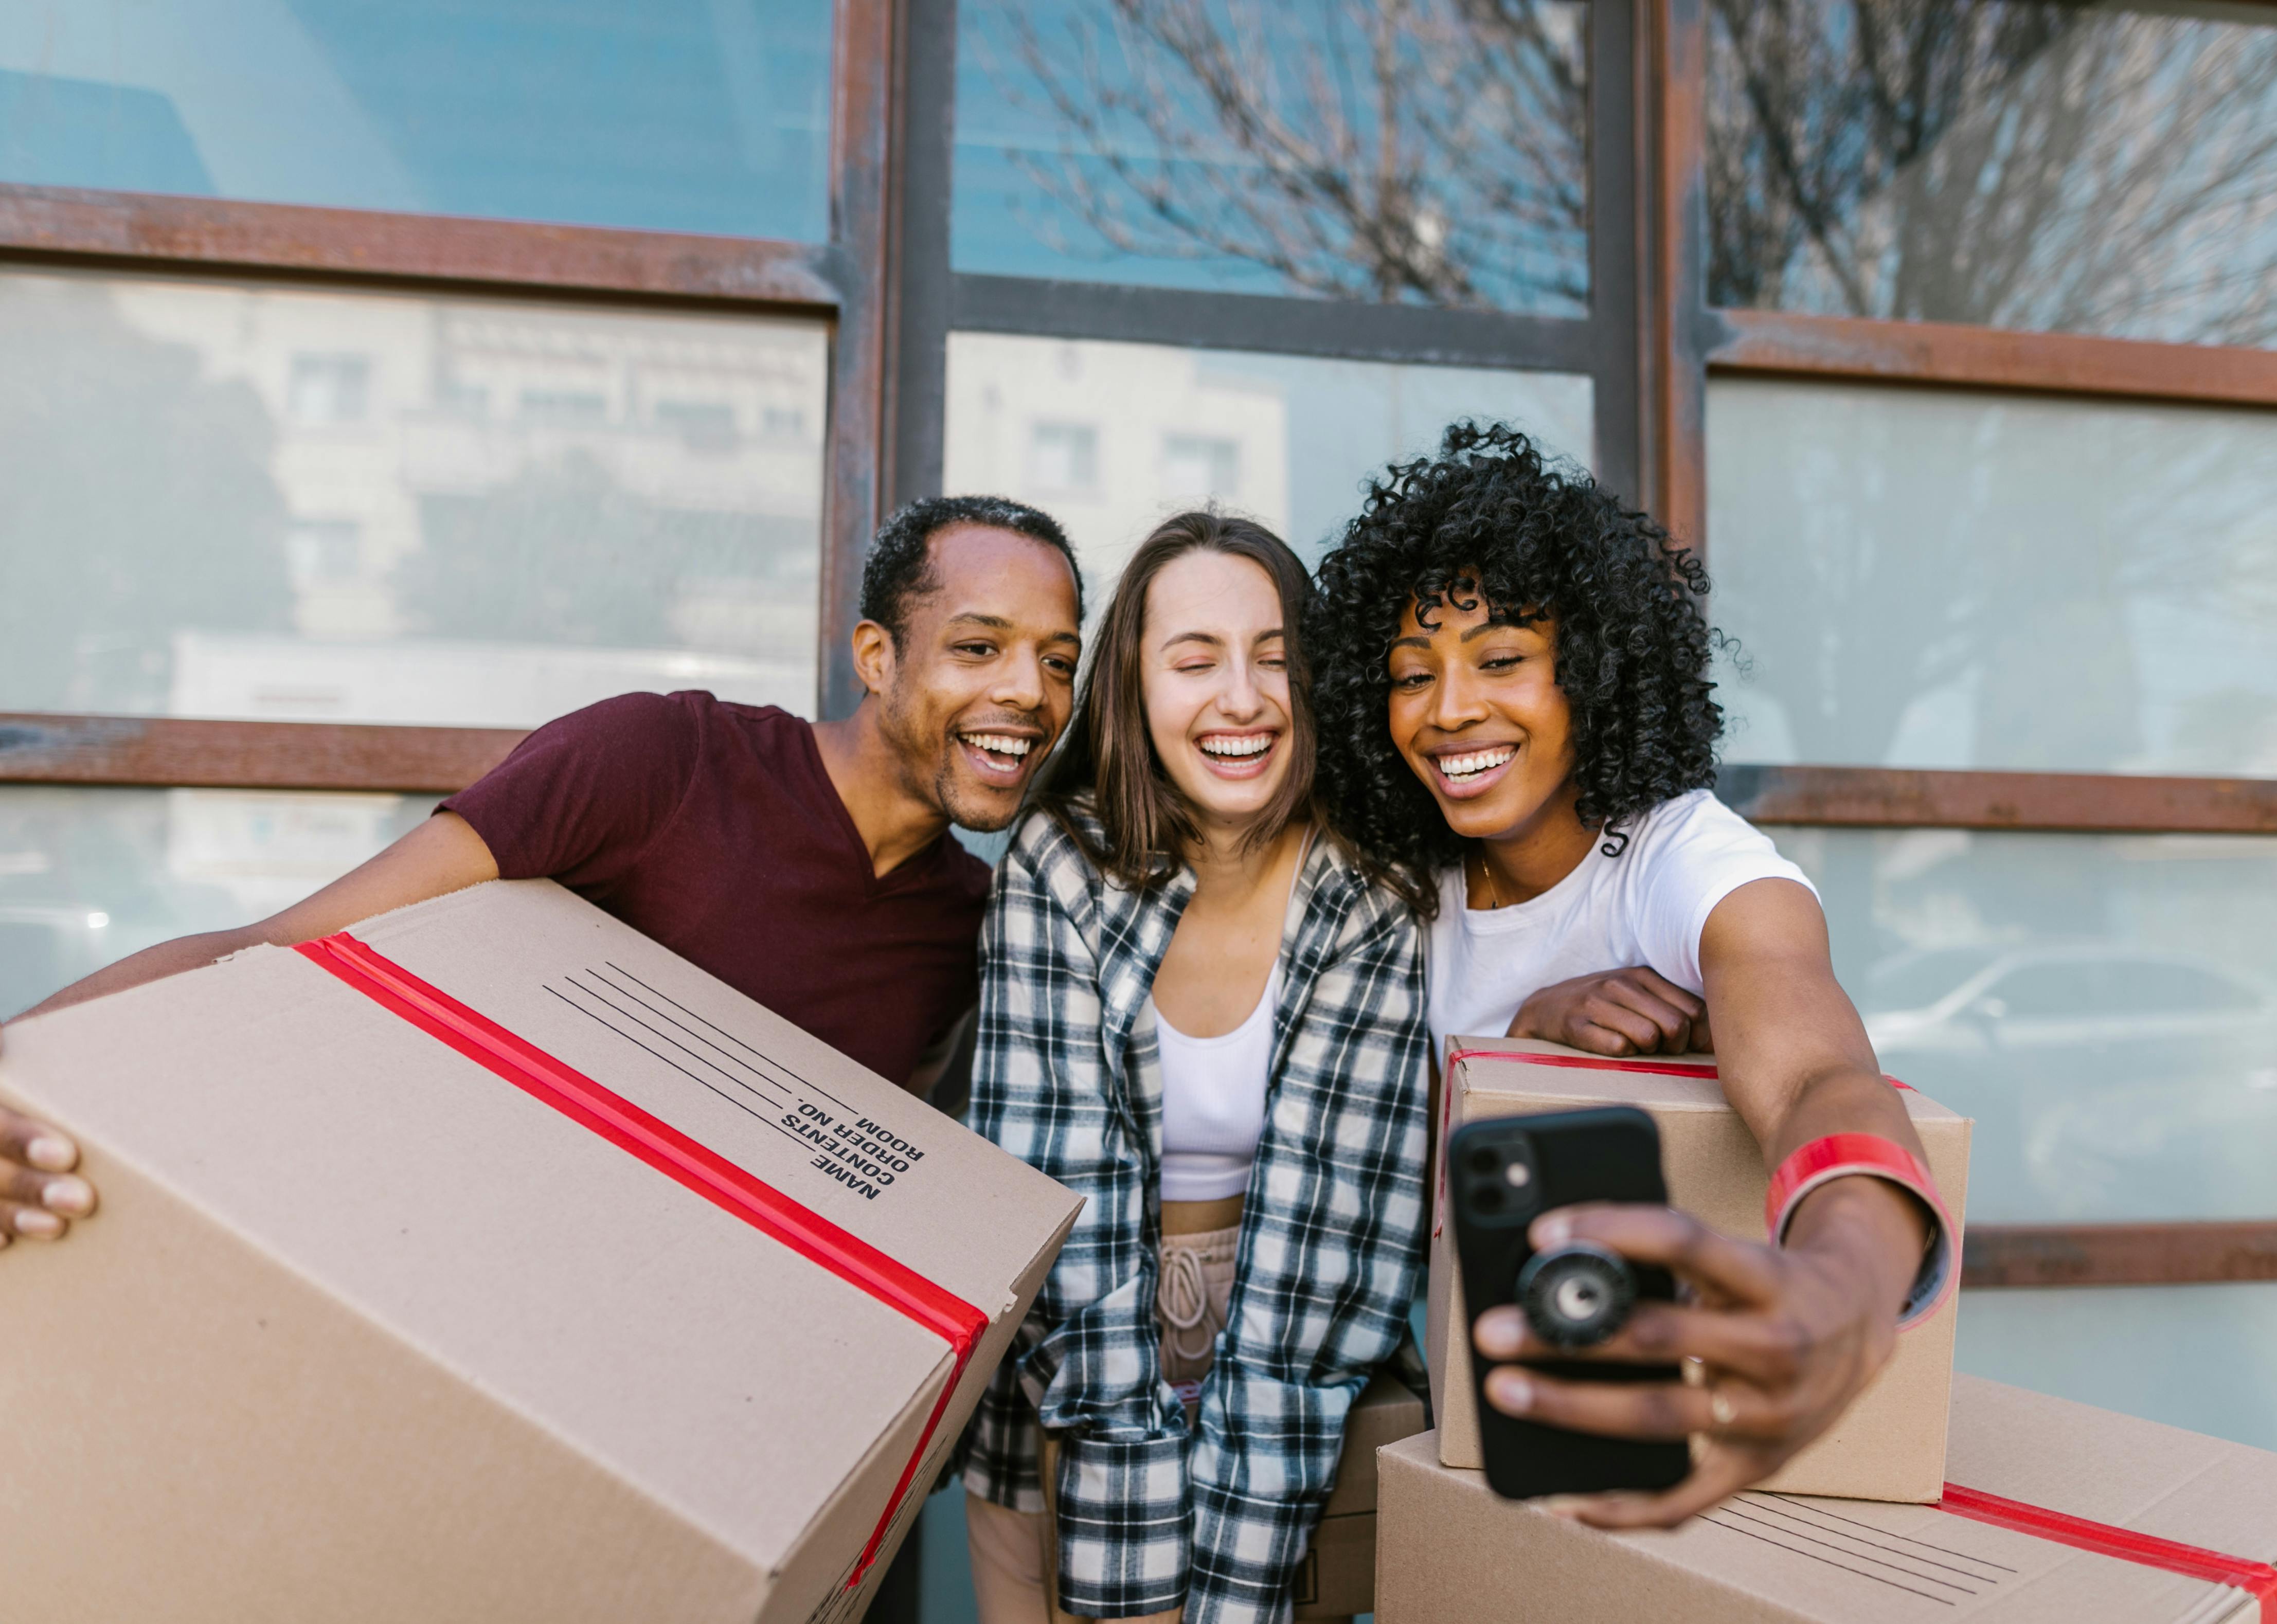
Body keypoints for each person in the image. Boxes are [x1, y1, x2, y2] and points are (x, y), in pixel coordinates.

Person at [0, 495, 1086, 1619]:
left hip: (661, 1459)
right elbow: (274, 954)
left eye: (1058, 662)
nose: (1026, 693)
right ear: (875, 654)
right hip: (421, 1330)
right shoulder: (665, 763)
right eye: (978, 646)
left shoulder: (969, 930)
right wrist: (16, 1078)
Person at [1310, 422, 1953, 1531]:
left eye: (1501, 659)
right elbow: (1354, 1172)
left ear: (1593, 669)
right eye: (1410, 676)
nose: (1448, 709)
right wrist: (1521, 1030)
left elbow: (1819, 1075)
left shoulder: (1684, 860)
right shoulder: (1389, 887)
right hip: (1446, 1427)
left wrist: (1837, 1291)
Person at [958, 512, 1431, 1624]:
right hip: (1067, 1354)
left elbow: (1329, 1258)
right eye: (1195, 660)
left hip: (1292, 1357)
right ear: (1133, 687)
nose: (1242, 698)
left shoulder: (1369, 894)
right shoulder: (1057, 859)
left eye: (1275, 659)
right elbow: (1055, 1205)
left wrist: (1218, 1601)